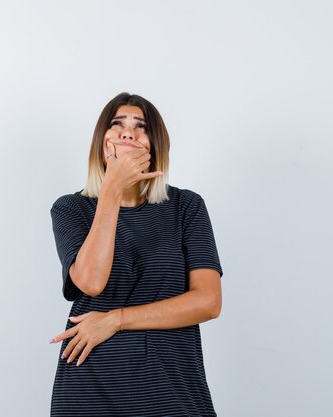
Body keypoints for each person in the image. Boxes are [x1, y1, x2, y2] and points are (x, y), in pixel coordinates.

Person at [48, 92, 224, 417]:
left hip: (172, 385)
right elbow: (90, 282)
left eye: (140, 126)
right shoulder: (71, 208)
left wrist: (116, 320)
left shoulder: (186, 207)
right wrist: (112, 190)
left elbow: (208, 302)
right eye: (117, 125)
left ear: (155, 146)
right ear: (101, 142)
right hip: (91, 385)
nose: (128, 132)